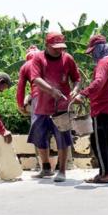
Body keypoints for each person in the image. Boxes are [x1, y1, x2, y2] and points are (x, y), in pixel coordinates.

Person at [29, 32, 81, 182]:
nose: (59, 50)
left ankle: (62, 170)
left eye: (61, 48)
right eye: (55, 48)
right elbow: (36, 79)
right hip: (42, 106)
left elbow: (77, 79)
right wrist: (51, 90)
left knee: (62, 138)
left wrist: (75, 90)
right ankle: (45, 168)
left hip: (62, 107)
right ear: (47, 46)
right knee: (39, 137)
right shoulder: (38, 58)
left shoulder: (68, 58)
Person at [73, 35, 108, 183]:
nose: (92, 55)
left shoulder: (103, 63)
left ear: (98, 49)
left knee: (98, 142)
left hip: (102, 108)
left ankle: (104, 174)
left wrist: (83, 94)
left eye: (93, 51)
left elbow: (99, 81)